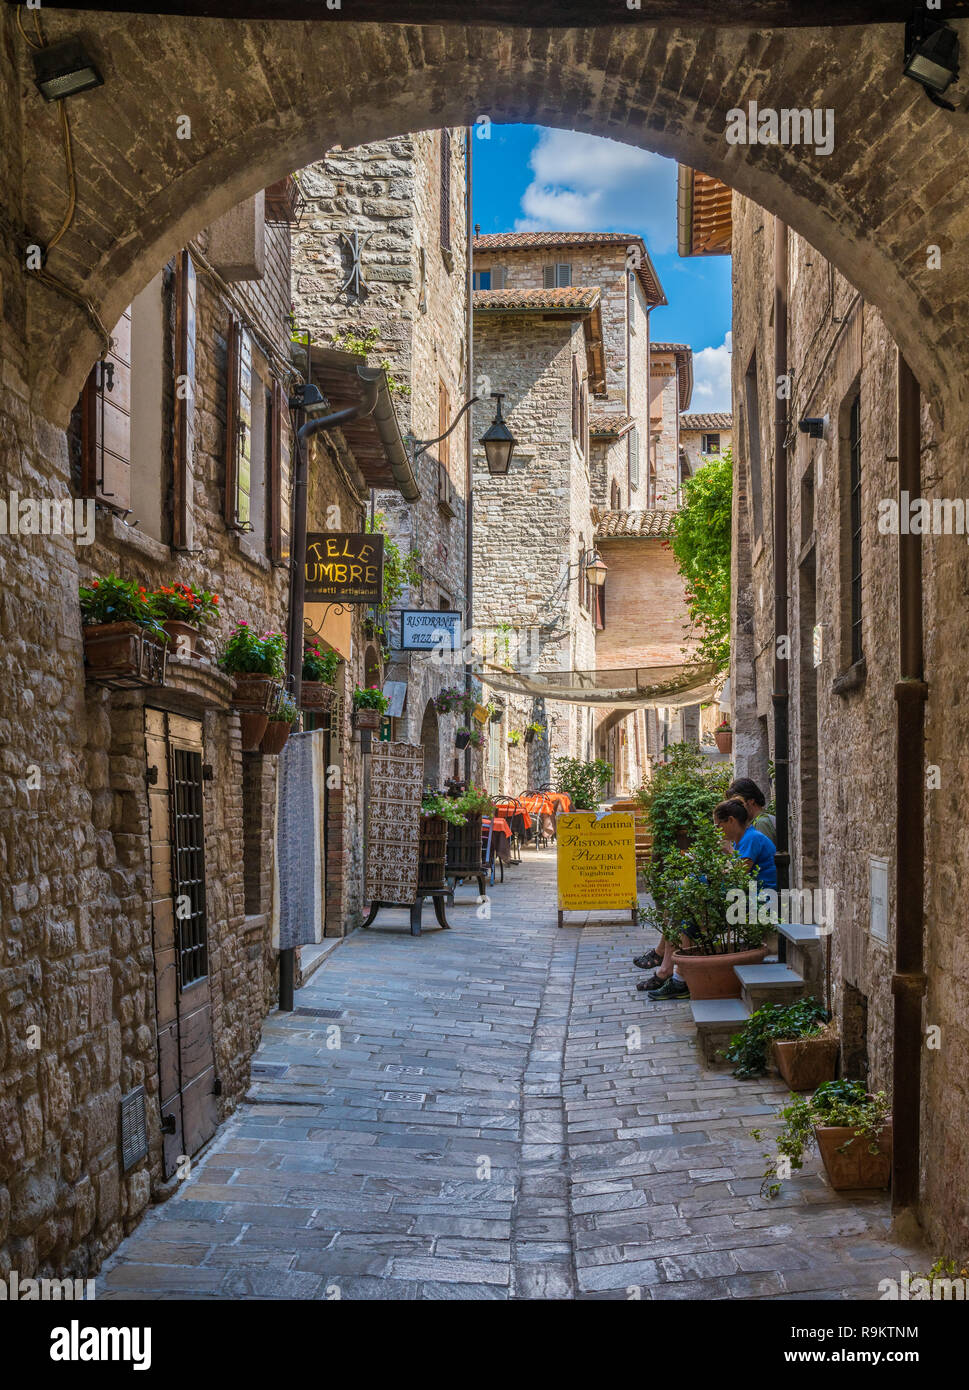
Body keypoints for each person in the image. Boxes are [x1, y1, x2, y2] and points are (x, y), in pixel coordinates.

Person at [638, 799, 777, 1002]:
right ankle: (677, 976)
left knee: (689, 908)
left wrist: (720, 859)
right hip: (744, 895)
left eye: (718, 825)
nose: (716, 830)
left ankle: (676, 976)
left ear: (730, 820)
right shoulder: (742, 840)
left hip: (759, 898)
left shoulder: (751, 839)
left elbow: (736, 875)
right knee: (685, 910)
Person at [726, 777, 776, 845]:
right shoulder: (758, 821)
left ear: (751, 801)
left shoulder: (761, 823)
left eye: (738, 803)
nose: (735, 808)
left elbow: (762, 854)